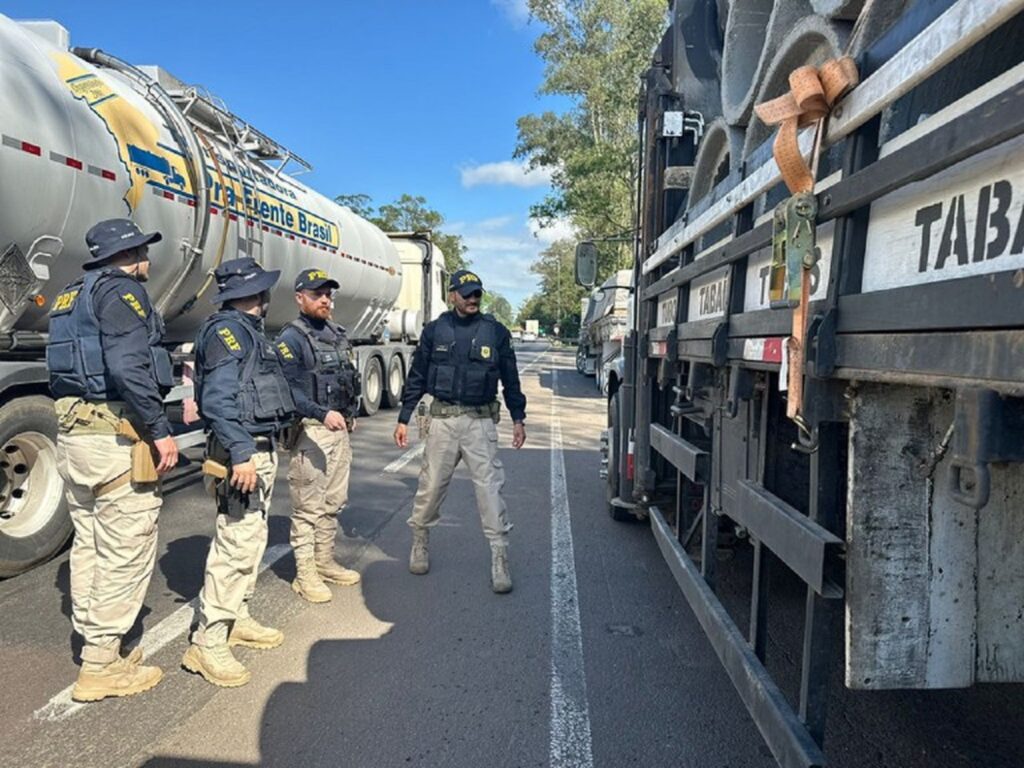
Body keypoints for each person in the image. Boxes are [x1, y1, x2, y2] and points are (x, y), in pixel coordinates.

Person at [46, 218, 179, 702]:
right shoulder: (122, 292)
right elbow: (128, 365)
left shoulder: (71, 293)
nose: (149, 259)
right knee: (127, 544)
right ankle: (102, 665)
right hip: (114, 438)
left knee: (90, 541)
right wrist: (160, 431)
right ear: (132, 252)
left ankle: (95, 642)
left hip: (75, 436)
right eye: (145, 250)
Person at [182, 257, 295, 688]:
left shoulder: (249, 331)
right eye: (264, 289)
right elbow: (218, 401)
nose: (268, 296)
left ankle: (238, 616)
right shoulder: (226, 333)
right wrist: (242, 453)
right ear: (255, 293)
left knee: (251, 539)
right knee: (234, 544)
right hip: (240, 454)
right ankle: (207, 642)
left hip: (256, 450)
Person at [393, 269, 527, 594]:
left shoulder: (495, 332)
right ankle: (420, 541)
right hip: (442, 422)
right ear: (452, 294)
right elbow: (417, 376)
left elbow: (510, 378)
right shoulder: (435, 331)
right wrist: (404, 417)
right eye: (466, 293)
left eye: (477, 293)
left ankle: (499, 557)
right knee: (431, 487)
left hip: (480, 423)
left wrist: (518, 418)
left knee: (490, 490)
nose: (472, 298)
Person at [276, 268, 362, 603]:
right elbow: (288, 391)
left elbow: (345, 379)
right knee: (307, 509)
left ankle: (324, 562)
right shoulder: (291, 339)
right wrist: (321, 413)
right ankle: (305, 574)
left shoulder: (336, 333)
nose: (325, 299)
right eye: (317, 294)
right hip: (311, 433)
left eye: (328, 294)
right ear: (300, 298)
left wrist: (348, 414)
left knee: (334, 503)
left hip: (338, 432)